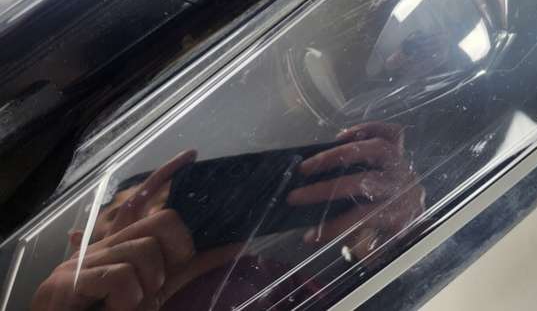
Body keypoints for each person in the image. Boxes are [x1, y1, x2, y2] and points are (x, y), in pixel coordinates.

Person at [31, 122, 425, 310]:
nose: (164, 224)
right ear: (79, 245)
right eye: (126, 213)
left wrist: (395, 253)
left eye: (184, 204)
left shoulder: (281, 285)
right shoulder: (66, 301)